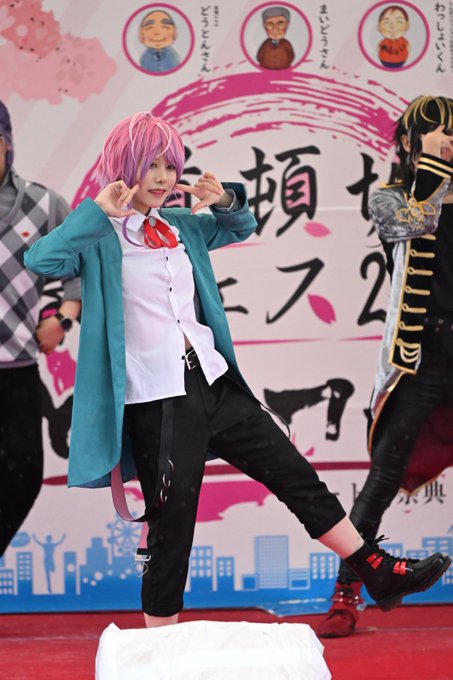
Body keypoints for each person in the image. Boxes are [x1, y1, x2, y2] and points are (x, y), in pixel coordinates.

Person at [24, 111, 450, 628]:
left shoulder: (181, 225)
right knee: (172, 528)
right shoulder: (98, 235)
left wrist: (224, 199)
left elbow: (239, 225)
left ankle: (374, 568)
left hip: (213, 381)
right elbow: (41, 261)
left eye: (168, 166)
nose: (162, 177)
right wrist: (97, 211)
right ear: (123, 165)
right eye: (150, 165)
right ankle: (160, 645)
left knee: (295, 475)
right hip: (156, 397)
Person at [318, 95, 453, 639]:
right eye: (438, 131)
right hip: (422, 358)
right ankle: (348, 592)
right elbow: (415, 222)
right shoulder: (391, 197)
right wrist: (435, 169)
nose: (448, 139)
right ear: (410, 143)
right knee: (383, 476)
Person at [0, 99, 81, 557]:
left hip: (17, 370)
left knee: (24, 478)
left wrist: (63, 317)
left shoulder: (44, 205)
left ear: (6, 144)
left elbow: (81, 266)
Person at [139, 9, 181, 74]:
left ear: (174, 32)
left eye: (165, 27)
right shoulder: (145, 58)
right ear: (141, 34)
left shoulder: (173, 56)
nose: (157, 33)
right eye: (149, 28)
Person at [256, 6, 295, 70]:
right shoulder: (265, 44)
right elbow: (259, 57)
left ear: (287, 24)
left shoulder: (286, 44)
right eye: (270, 24)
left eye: (280, 23)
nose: (275, 29)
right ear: (264, 26)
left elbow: (291, 56)